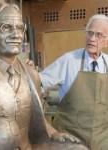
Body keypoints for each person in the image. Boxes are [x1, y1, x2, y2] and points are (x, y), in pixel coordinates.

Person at [0, 2, 88, 150]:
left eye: (20, 28)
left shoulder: (32, 74)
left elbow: (37, 119)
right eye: (6, 27)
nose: (16, 34)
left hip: (28, 146)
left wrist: (53, 133)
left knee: (78, 148)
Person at [27, 14, 108, 150]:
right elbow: (38, 83)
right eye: (89, 33)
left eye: (99, 35)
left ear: (107, 41)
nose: (92, 39)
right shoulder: (69, 60)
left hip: (102, 140)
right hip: (70, 138)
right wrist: (29, 72)